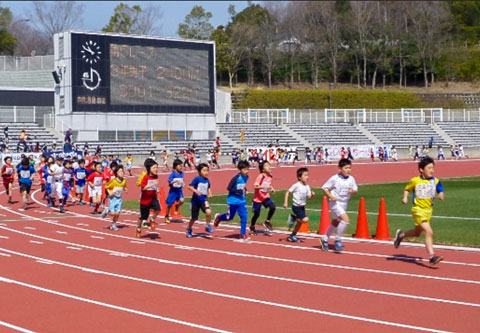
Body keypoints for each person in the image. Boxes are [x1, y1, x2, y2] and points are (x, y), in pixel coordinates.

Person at [394, 157, 444, 265]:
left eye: (433, 168)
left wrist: (440, 194)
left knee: (417, 233)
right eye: (429, 168)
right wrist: (405, 197)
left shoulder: (435, 180)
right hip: (418, 210)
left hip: (428, 210)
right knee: (429, 231)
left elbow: (440, 188)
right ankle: (432, 256)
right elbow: (407, 188)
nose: (432, 170)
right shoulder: (415, 180)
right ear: (421, 169)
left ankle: (401, 235)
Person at [320, 159, 358, 251]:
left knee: (336, 222)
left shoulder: (351, 179)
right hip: (335, 203)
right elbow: (324, 188)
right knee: (346, 220)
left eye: (349, 168)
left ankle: (324, 239)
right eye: (346, 168)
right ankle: (337, 240)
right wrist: (331, 196)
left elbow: (356, 190)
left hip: (344, 203)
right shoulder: (334, 178)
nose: (348, 170)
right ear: (340, 169)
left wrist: (352, 191)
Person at [214, 161, 250, 240]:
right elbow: (229, 188)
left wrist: (245, 189)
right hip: (232, 200)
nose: (246, 171)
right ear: (239, 170)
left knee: (244, 216)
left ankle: (242, 233)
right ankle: (219, 217)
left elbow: (242, 186)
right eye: (244, 170)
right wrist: (238, 191)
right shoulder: (236, 178)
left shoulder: (247, 177)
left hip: (241, 200)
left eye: (247, 169)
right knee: (229, 217)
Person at [283, 167, 315, 243]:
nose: (307, 177)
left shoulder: (307, 186)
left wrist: (312, 195)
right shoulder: (296, 185)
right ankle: (293, 218)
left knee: (300, 223)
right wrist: (286, 202)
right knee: (305, 219)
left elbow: (309, 197)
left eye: (308, 175)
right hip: (296, 206)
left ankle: (292, 236)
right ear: (299, 177)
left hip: (302, 206)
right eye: (305, 175)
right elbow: (288, 192)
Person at [186, 163, 213, 238]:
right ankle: (189, 228)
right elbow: (189, 186)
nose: (206, 172)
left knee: (209, 212)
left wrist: (210, 193)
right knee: (194, 218)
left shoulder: (207, 180)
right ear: (199, 172)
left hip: (204, 200)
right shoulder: (197, 179)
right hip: (195, 201)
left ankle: (207, 225)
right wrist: (195, 191)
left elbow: (208, 187)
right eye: (204, 170)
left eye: (207, 170)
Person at [136, 159, 160, 238]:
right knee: (143, 217)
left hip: (153, 197)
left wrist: (157, 189)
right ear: (149, 169)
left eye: (157, 167)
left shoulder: (156, 176)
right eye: (154, 168)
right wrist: (152, 184)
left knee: (158, 209)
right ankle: (138, 229)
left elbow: (155, 185)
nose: (156, 169)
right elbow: (143, 188)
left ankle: (152, 219)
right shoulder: (146, 177)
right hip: (145, 200)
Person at [250, 161, 275, 235]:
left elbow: (269, 184)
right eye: (266, 165)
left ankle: (267, 221)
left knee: (272, 207)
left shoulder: (270, 176)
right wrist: (266, 187)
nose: (269, 166)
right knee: (257, 214)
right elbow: (255, 186)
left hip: (265, 197)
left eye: (269, 165)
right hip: (257, 198)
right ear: (263, 169)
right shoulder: (261, 176)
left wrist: (272, 188)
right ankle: (252, 226)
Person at [103, 165, 127, 231]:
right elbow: (106, 186)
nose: (121, 173)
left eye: (122, 171)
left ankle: (113, 224)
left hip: (119, 199)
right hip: (113, 198)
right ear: (116, 173)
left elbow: (124, 186)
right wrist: (109, 193)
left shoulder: (124, 180)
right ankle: (107, 210)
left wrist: (125, 189)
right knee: (113, 214)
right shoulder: (113, 181)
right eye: (120, 171)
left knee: (118, 213)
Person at [165, 159, 185, 224]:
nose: (181, 167)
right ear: (175, 166)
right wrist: (175, 181)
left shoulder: (182, 173)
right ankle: (166, 216)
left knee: (182, 200)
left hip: (179, 190)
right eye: (179, 166)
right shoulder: (173, 174)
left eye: (181, 166)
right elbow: (169, 182)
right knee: (169, 205)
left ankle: (177, 206)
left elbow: (182, 180)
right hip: (173, 191)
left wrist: (183, 183)